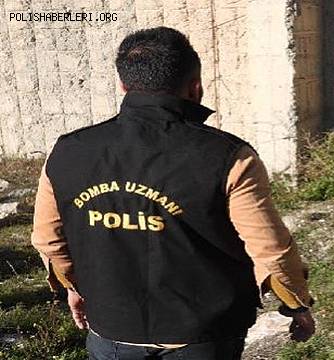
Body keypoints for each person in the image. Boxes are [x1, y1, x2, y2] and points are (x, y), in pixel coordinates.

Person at [31, 26, 315, 360]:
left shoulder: (67, 152)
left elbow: (48, 240)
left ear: (123, 85)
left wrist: (75, 288)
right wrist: (297, 304)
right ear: (196, 88)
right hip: (204, 337)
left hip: (112, 333)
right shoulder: (229, 157)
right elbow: (270, 251)